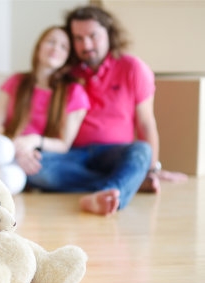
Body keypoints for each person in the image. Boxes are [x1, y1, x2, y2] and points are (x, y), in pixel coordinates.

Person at [24, 5, 187, 215]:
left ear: (108, 33)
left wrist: (152, 169)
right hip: (73, 155)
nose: (86, 44)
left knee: (141, 151)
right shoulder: (65, 73)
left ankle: (108, 194)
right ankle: (127, 182)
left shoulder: (133, 68)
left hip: (115, 153)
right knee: (33, 169)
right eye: (79, 38)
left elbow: (146, 123)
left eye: (93, 36)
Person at [0, 25, 90, 195]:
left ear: (68, 57)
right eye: (51, 42)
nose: (56, 48)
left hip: (24, 160)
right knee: (2, 149)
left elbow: (64, 144)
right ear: (39, 46)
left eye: (64, 46)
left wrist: (34, 141)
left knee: (8, 179)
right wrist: (16, 146)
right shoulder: (17, 81)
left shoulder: (74, 92)